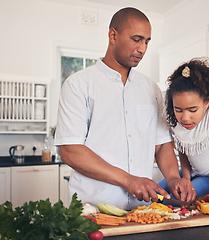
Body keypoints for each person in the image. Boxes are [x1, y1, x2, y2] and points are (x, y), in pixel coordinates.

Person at [55, 7, 195, 210]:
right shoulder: (78, 84)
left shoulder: (151, 89)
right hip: (92, 209)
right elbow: (70, 150)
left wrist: (174, 178)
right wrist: (129, 180)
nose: (143, 49)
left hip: (142, 210)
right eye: (136, 39)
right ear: (113, 35)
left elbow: (162, 143)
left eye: (147, 41)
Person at [158, 57, 209, 199]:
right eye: (178, 110)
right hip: (195, 175)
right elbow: (184, 150)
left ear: (206, 102)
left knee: (174, 201)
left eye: (192, 110)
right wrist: (186, 178)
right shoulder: (175, 120)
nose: (185, 117)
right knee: (155, 195)